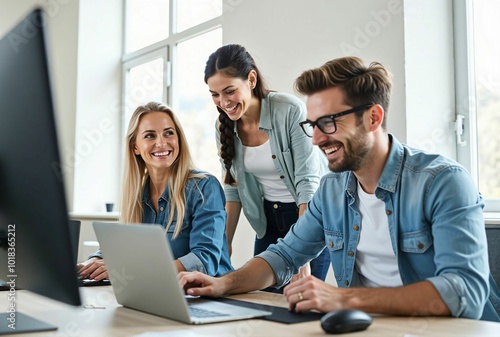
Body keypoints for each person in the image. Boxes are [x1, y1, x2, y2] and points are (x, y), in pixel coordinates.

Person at [180, 57, 500, 321]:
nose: (317, 139)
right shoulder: (333, 190)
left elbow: (464, 292)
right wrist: (222, 283)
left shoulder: (442, 182)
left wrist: (344, 297)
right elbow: (283, 256)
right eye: (312, 125)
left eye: (329, 122)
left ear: (373, 117)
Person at [204, 44, 330, 283]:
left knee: (300, 303)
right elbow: (233, 189)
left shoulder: (289, 110)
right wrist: (223, 246)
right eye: (215, 94)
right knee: (261, 299)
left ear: (251, 79)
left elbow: (307, 183)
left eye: (229, 91)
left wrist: (300, 255)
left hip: (310, 217)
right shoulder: (224, 127)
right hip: (268, 221)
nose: (223, 101)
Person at [78, 102, 233, 280]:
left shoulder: (204, 187)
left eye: (168, 133)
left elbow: (204, 261)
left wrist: (131, 269)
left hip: (212, 299)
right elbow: (123, 246)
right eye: (150, 136)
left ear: (178, 139)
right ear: (135, 147)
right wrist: (92, 264)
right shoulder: (138, 193)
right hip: (162, 294)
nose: (161, 142)